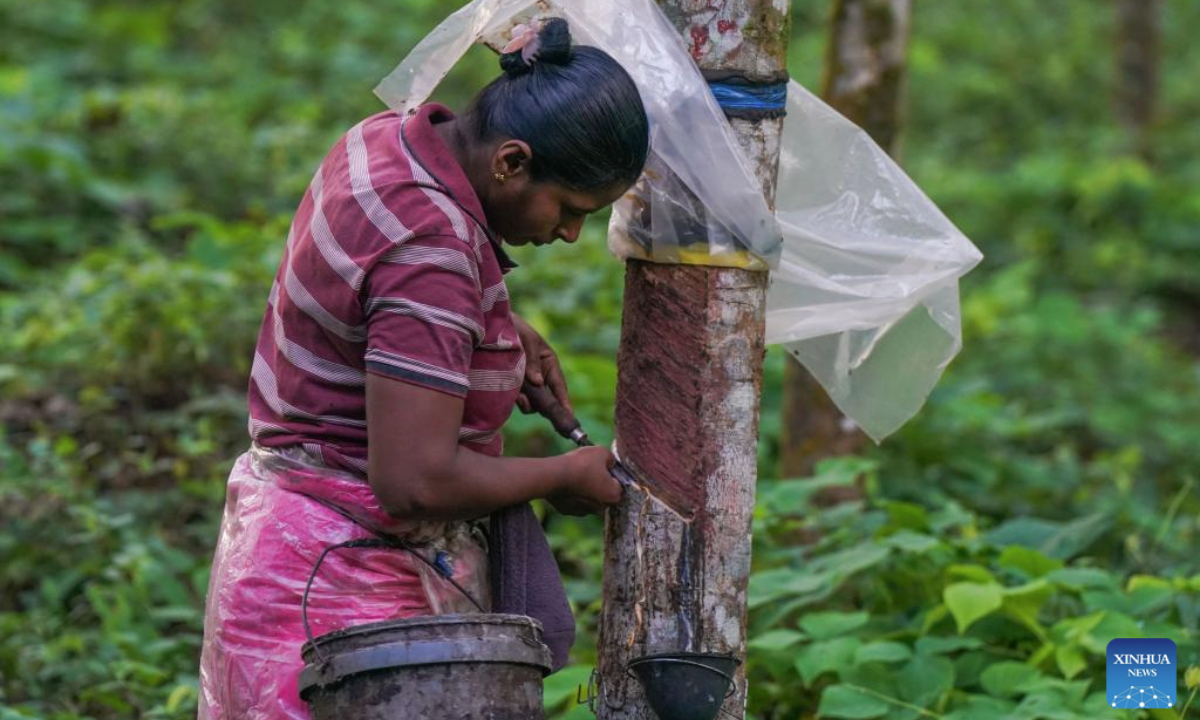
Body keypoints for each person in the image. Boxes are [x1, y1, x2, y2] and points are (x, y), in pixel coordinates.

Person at [197, 17, 649, 719]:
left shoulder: (389, 137)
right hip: (348, 592)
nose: (568, 233)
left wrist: (488, 329)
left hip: (285, 554)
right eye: (570, 208)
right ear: (510, 162)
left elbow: (368, 285)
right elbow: (413, 481)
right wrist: (561, 475)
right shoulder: (429, 253)